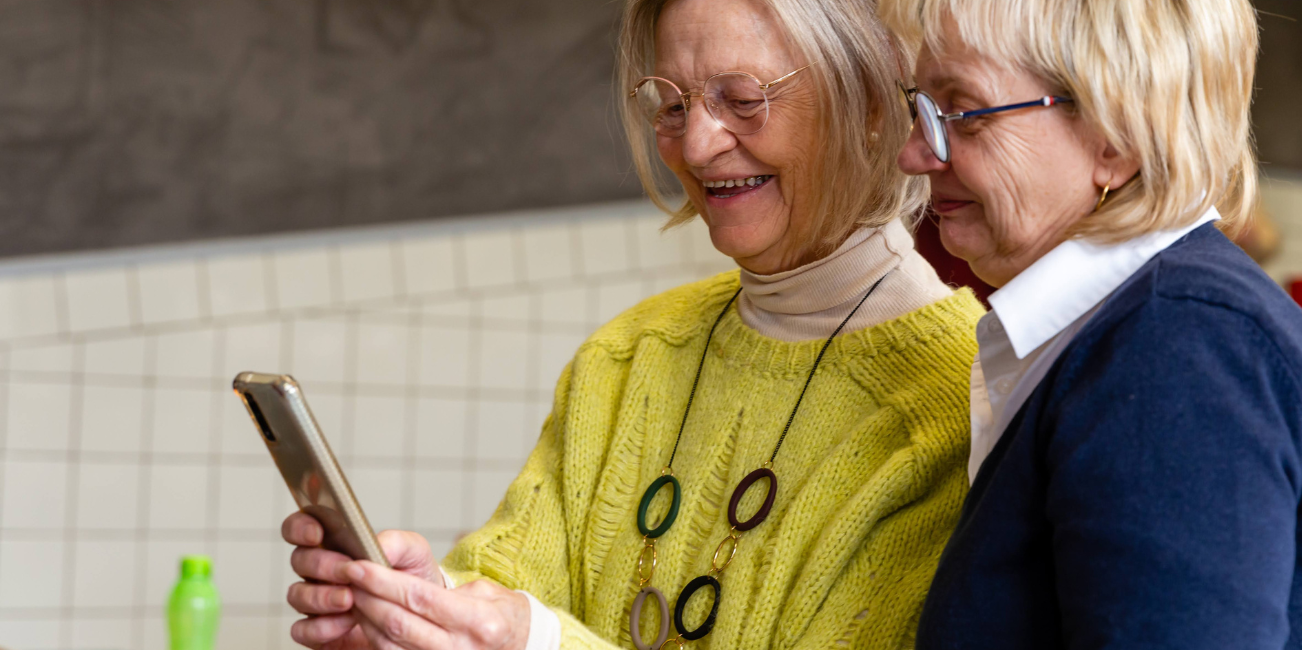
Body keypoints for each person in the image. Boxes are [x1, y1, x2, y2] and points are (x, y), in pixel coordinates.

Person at [281, 0, 986, 648]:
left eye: (743, 100)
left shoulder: (964, 399)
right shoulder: (630, 354)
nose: (697, 147)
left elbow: (531, 632)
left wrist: (535, 642)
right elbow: (515, 580)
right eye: (672, 106)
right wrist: (426, 606)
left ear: (870, 103)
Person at [885, 0, 1302, 647]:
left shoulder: (1179, 351)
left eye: (962, 113)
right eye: (921, 109)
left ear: (1117, 139)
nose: (914, 153)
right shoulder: (1146, 330)